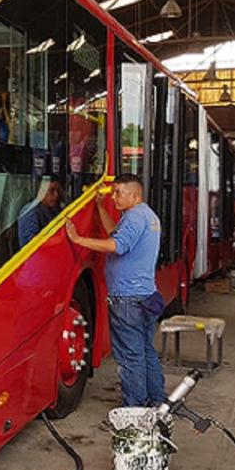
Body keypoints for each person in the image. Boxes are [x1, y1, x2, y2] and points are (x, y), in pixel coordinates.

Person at [65, 174, 165, 408]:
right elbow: (117, 235)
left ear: (135, 194)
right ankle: (156, 401)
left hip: (127, 299)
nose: (115, 197)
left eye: (119, 192)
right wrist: (100, 208)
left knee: (131, 357)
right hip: (146, 296)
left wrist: (78, 239)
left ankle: (135, 410)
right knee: (145, 351)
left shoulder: (133, 217)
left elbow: (116, 246)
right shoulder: (147, 216)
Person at [17, 178, 62, 247]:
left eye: (58, 191)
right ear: (42, 192)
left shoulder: (54, 210)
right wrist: (57, 240)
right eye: (51, 190)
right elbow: (30, 242)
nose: (56, 195)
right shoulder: (31, 211)